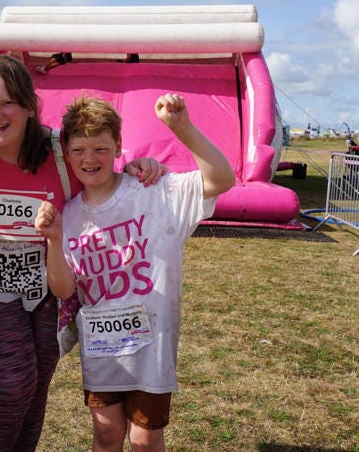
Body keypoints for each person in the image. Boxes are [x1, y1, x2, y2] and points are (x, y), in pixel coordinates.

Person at [0, 54, 163, 451]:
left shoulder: (59, 153)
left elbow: (99, 164)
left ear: (30, 107)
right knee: (10, 382)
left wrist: (139, 165)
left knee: (35, 385)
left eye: (8, 102)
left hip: (49, 288)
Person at [34, 94, 235, 452]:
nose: (89, 159)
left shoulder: (153, 190)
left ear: (118, 147)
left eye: (100, 148)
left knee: (144, 439)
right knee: (107, 433)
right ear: (67, 153)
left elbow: (221, 179)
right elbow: (64, 289)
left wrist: (181, 127)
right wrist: (53, 240)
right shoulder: (70, 214)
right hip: (102, 345)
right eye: (79, 150)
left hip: (152, 345)